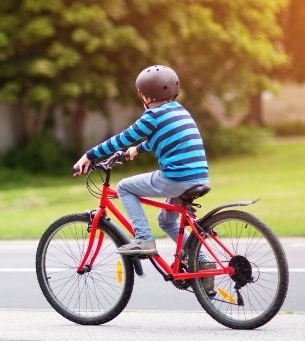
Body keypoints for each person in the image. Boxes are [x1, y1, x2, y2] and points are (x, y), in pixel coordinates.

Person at [73, 65, 214, 291]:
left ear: (146, 96)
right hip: (198, 176)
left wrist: (89, 155)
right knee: (167, 220)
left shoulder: (152, 115)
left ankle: (143, 239)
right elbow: (160, 137)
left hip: (176, 178)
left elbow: (122, 139)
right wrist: (137, 150)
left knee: (125, 187)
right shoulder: (178, 110)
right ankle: (204, 259)